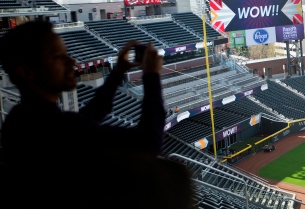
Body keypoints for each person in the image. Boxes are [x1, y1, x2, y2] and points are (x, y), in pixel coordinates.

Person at [0, 21, 192, 209]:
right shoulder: (50, 124)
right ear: (27, 72)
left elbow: (90, 116)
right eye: (57, 56)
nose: (71, 61)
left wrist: (118, 72)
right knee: (171, 177)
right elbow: (148, 143)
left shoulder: (23, 117)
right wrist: (151, 75)